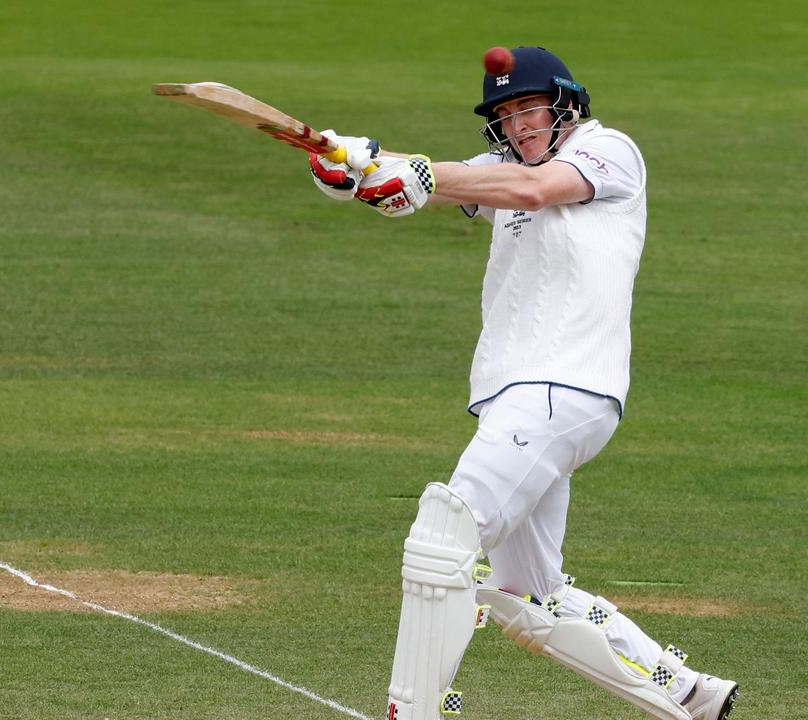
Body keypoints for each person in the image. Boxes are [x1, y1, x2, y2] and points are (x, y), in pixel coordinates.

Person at [306, 47, 739, 720]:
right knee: (525, 594)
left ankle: (413, 711)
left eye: (529, 107)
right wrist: (356, 164)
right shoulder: (502, 167)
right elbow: (433, 182)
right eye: (505, 115)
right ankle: (687, 693)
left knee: (443, 536)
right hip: (522, 397)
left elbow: (530, 190)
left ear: (565, 103)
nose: (518, 125)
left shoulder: (609, 152)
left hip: (562, 384)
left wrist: (409, 172)